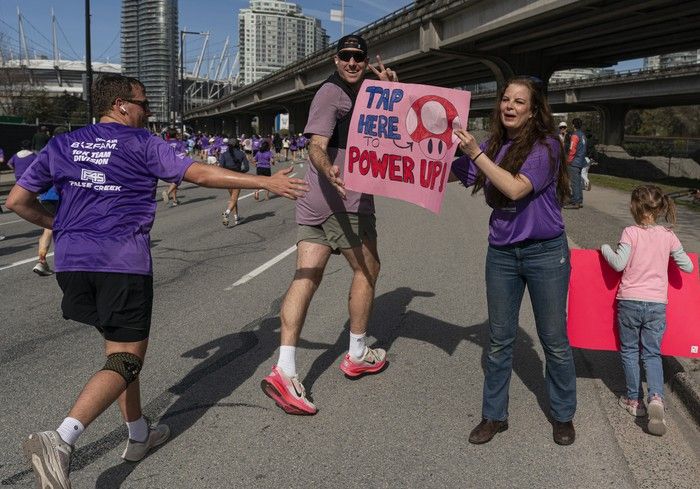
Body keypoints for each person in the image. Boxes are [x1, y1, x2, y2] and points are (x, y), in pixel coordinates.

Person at [7, 73, 307, 489]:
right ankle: (60, 439)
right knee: (128, 359)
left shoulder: (62, 144)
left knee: (119, 350)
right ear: (121, 105)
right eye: (144, 104)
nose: (148, 113)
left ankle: (138, 434)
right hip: (121, 262)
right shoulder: (140, 143)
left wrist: (62, 227)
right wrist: (266, 181)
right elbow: (199, 173)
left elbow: (16, 201)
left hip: (73, 263)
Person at [259, 34, 398, 415]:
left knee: (306, 276)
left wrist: (391, 93)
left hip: (318, 198)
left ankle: (284, 369)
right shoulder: (331, 93)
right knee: (368, 269)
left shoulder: (366, 93)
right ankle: (356, 352)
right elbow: (316, 145)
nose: (352, 63)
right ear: (335, 61)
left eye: (358, 57)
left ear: (366, 60)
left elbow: (391, 135)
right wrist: (330, 171)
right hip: (343, 198)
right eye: (346, 57)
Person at [450, 76, 577, 446]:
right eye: (505, 99)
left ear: (534, 109)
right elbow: (445, 173)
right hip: (502, 254)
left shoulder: (547, 145)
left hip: (545, 254)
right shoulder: (492, 144)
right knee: (500, 340)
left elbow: (515, 188)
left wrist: (477, 154)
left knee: (554, 341)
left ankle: (563, 414)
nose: (509, 106)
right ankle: (494, 416)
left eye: (519, 102)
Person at [600, 185, 693, 436]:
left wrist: (605, 249)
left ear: (634, 208)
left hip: (629, 301)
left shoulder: (630, 232)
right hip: (656, 305)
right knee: (652, 353)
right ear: (660, 208)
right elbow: (688, 267)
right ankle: (656, 397)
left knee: (630, 351)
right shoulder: (668, 235)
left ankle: (634, 401)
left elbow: (619, 263)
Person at [219, 140, 248, 226]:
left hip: (227, 178)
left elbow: (221, 167)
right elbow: (246, 167)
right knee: (234, 198)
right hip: (237, 177)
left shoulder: (224, 154)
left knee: (233, 198)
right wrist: (241, 172)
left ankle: (236, 217)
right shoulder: (241, 154)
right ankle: (227, 212)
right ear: (237, 145)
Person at [564, 118, 587, 209]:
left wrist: (568, 160)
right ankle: (579, 199)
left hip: (574, 161)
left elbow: (572, 149)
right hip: (581, 161)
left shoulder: (574, 135)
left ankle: (575, 202)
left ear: (573, 125)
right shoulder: (583, 135)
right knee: (578, 181)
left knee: (574, 182)